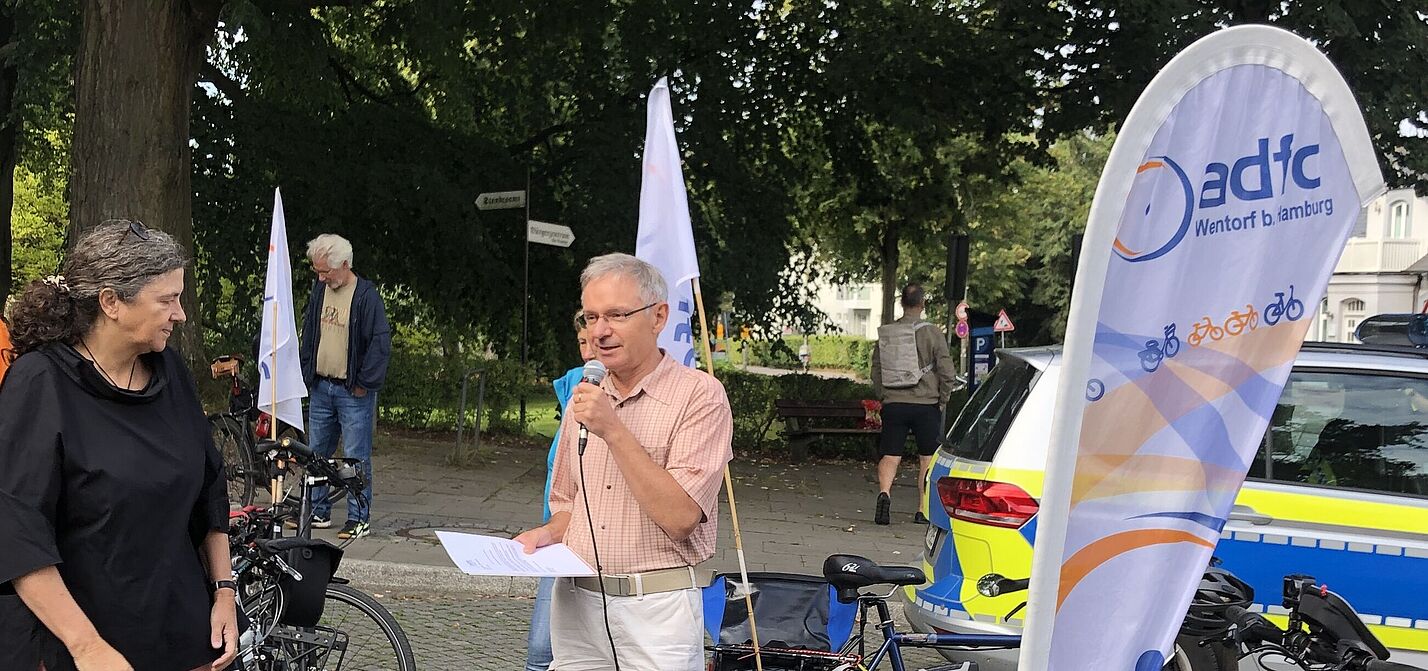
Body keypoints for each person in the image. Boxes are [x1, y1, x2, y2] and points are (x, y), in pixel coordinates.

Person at [0, 220, 237, 671]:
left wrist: (224, 590)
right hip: (82, 648)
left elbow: (210, 487)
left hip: (184, 637)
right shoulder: (40, 384)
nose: (180, 313)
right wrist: (87, 646)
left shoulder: (170, 374)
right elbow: (16, 531)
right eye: (167, 299)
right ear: (111, 302)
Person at [515, 253, 733, 671]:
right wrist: (547, 534)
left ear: (658, 316)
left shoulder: (700, 396)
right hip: (577, 606)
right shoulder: (586, 388)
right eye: (591, 316)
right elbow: (567, 501)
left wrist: (613, 430)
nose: (599, 331)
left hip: (655, 610)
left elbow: (682, 515)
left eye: (616, 315)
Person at [298, 233, 391, 540]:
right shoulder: (319, 291)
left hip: (353, 390)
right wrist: (306, 368)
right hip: (322, 385)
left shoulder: (366, 296)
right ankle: (318, 510)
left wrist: (365, 383)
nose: (322, 277)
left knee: (355, 456)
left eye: (326, 271)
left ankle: (358, 517)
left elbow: (380, 342)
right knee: (317, 454)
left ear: (345, 264)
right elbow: (310, 330)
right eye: (318, 272)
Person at [525, 314, 596, 671]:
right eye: (583, 342)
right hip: (558, 533)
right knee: (541, 648)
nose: (588, 352)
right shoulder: (573, 385)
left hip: (602, 543)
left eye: (595, 343)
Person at [871, 283, 956, 525]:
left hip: (894, 403)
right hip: (925, 404)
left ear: (902, 304)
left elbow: (876, 368)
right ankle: (922, 509)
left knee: (890, 454)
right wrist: (943, 398)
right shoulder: (933, 333)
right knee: (926, 458)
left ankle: (884, 493)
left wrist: (883, 394)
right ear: (922, 304)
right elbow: (946, 370)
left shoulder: (888, 333)